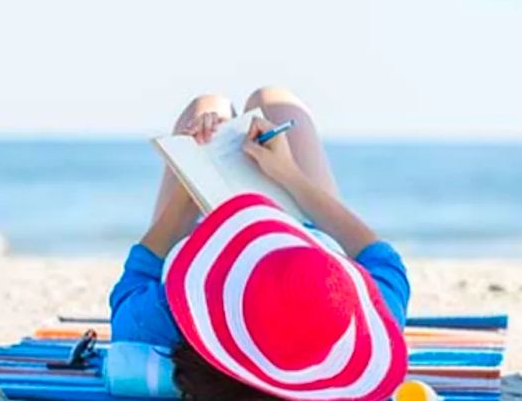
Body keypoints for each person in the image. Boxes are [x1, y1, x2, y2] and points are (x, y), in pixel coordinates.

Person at [109, 87, 411, 401]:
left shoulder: (163, 317)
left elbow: (139, 274)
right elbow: (381, 258)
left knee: (207, 106)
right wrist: (290, 176)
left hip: (218, 235)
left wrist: (192, 180)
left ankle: (209, 137)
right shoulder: (370, 321)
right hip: (303, 233)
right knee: (273, 101)